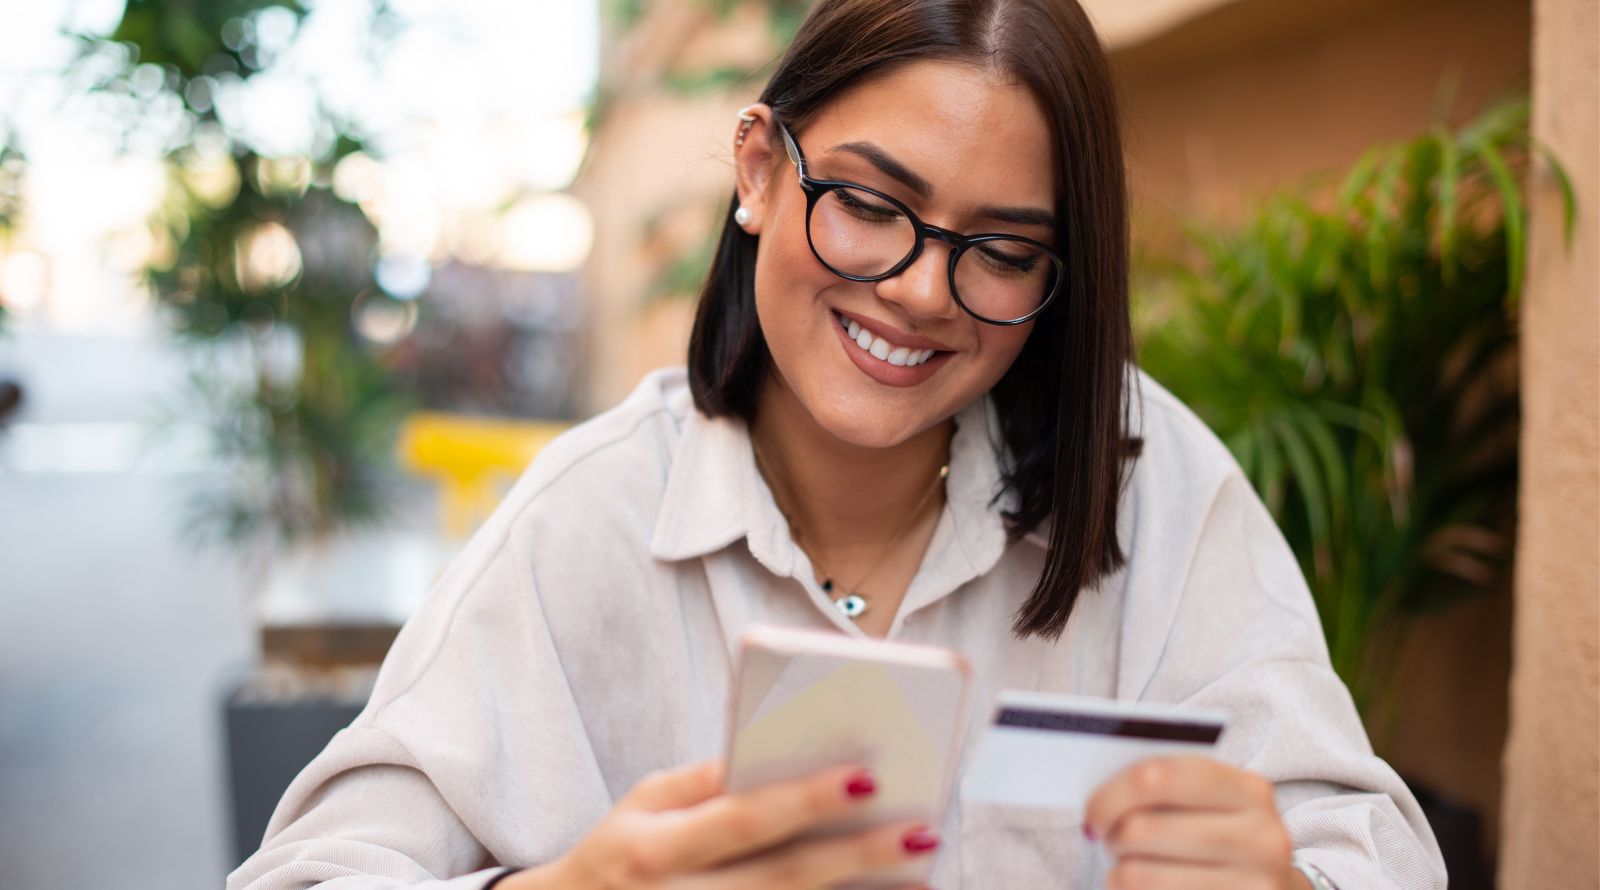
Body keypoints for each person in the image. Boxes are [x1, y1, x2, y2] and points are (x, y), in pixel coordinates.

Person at [228, 1, 1446, 888]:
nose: (921, 292)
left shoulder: (1150, 483)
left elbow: (1374, 853)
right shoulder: (589, 519)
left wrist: (1287, 884)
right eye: (869, 205)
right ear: (758, 169)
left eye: (1005, 249)